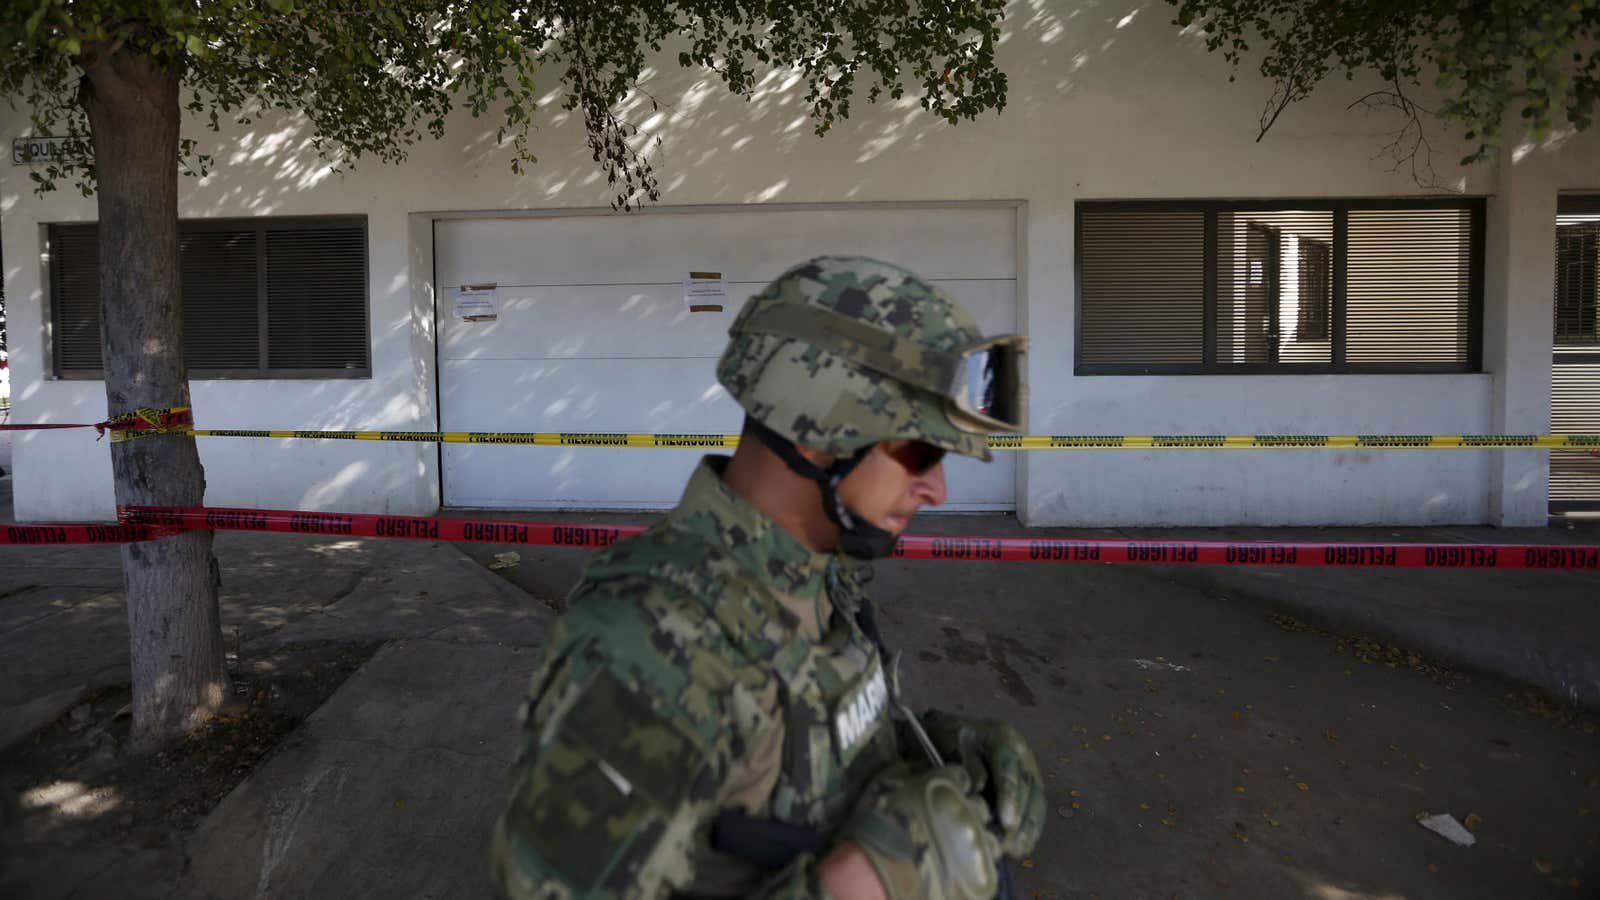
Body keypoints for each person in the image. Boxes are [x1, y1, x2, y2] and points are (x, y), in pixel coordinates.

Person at [491, 256, 1045, 899]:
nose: (938, 489)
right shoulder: (649, 647)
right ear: (821, 432)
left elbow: (800, 746)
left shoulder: (812, 570)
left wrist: (945, 753)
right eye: (920, 452)